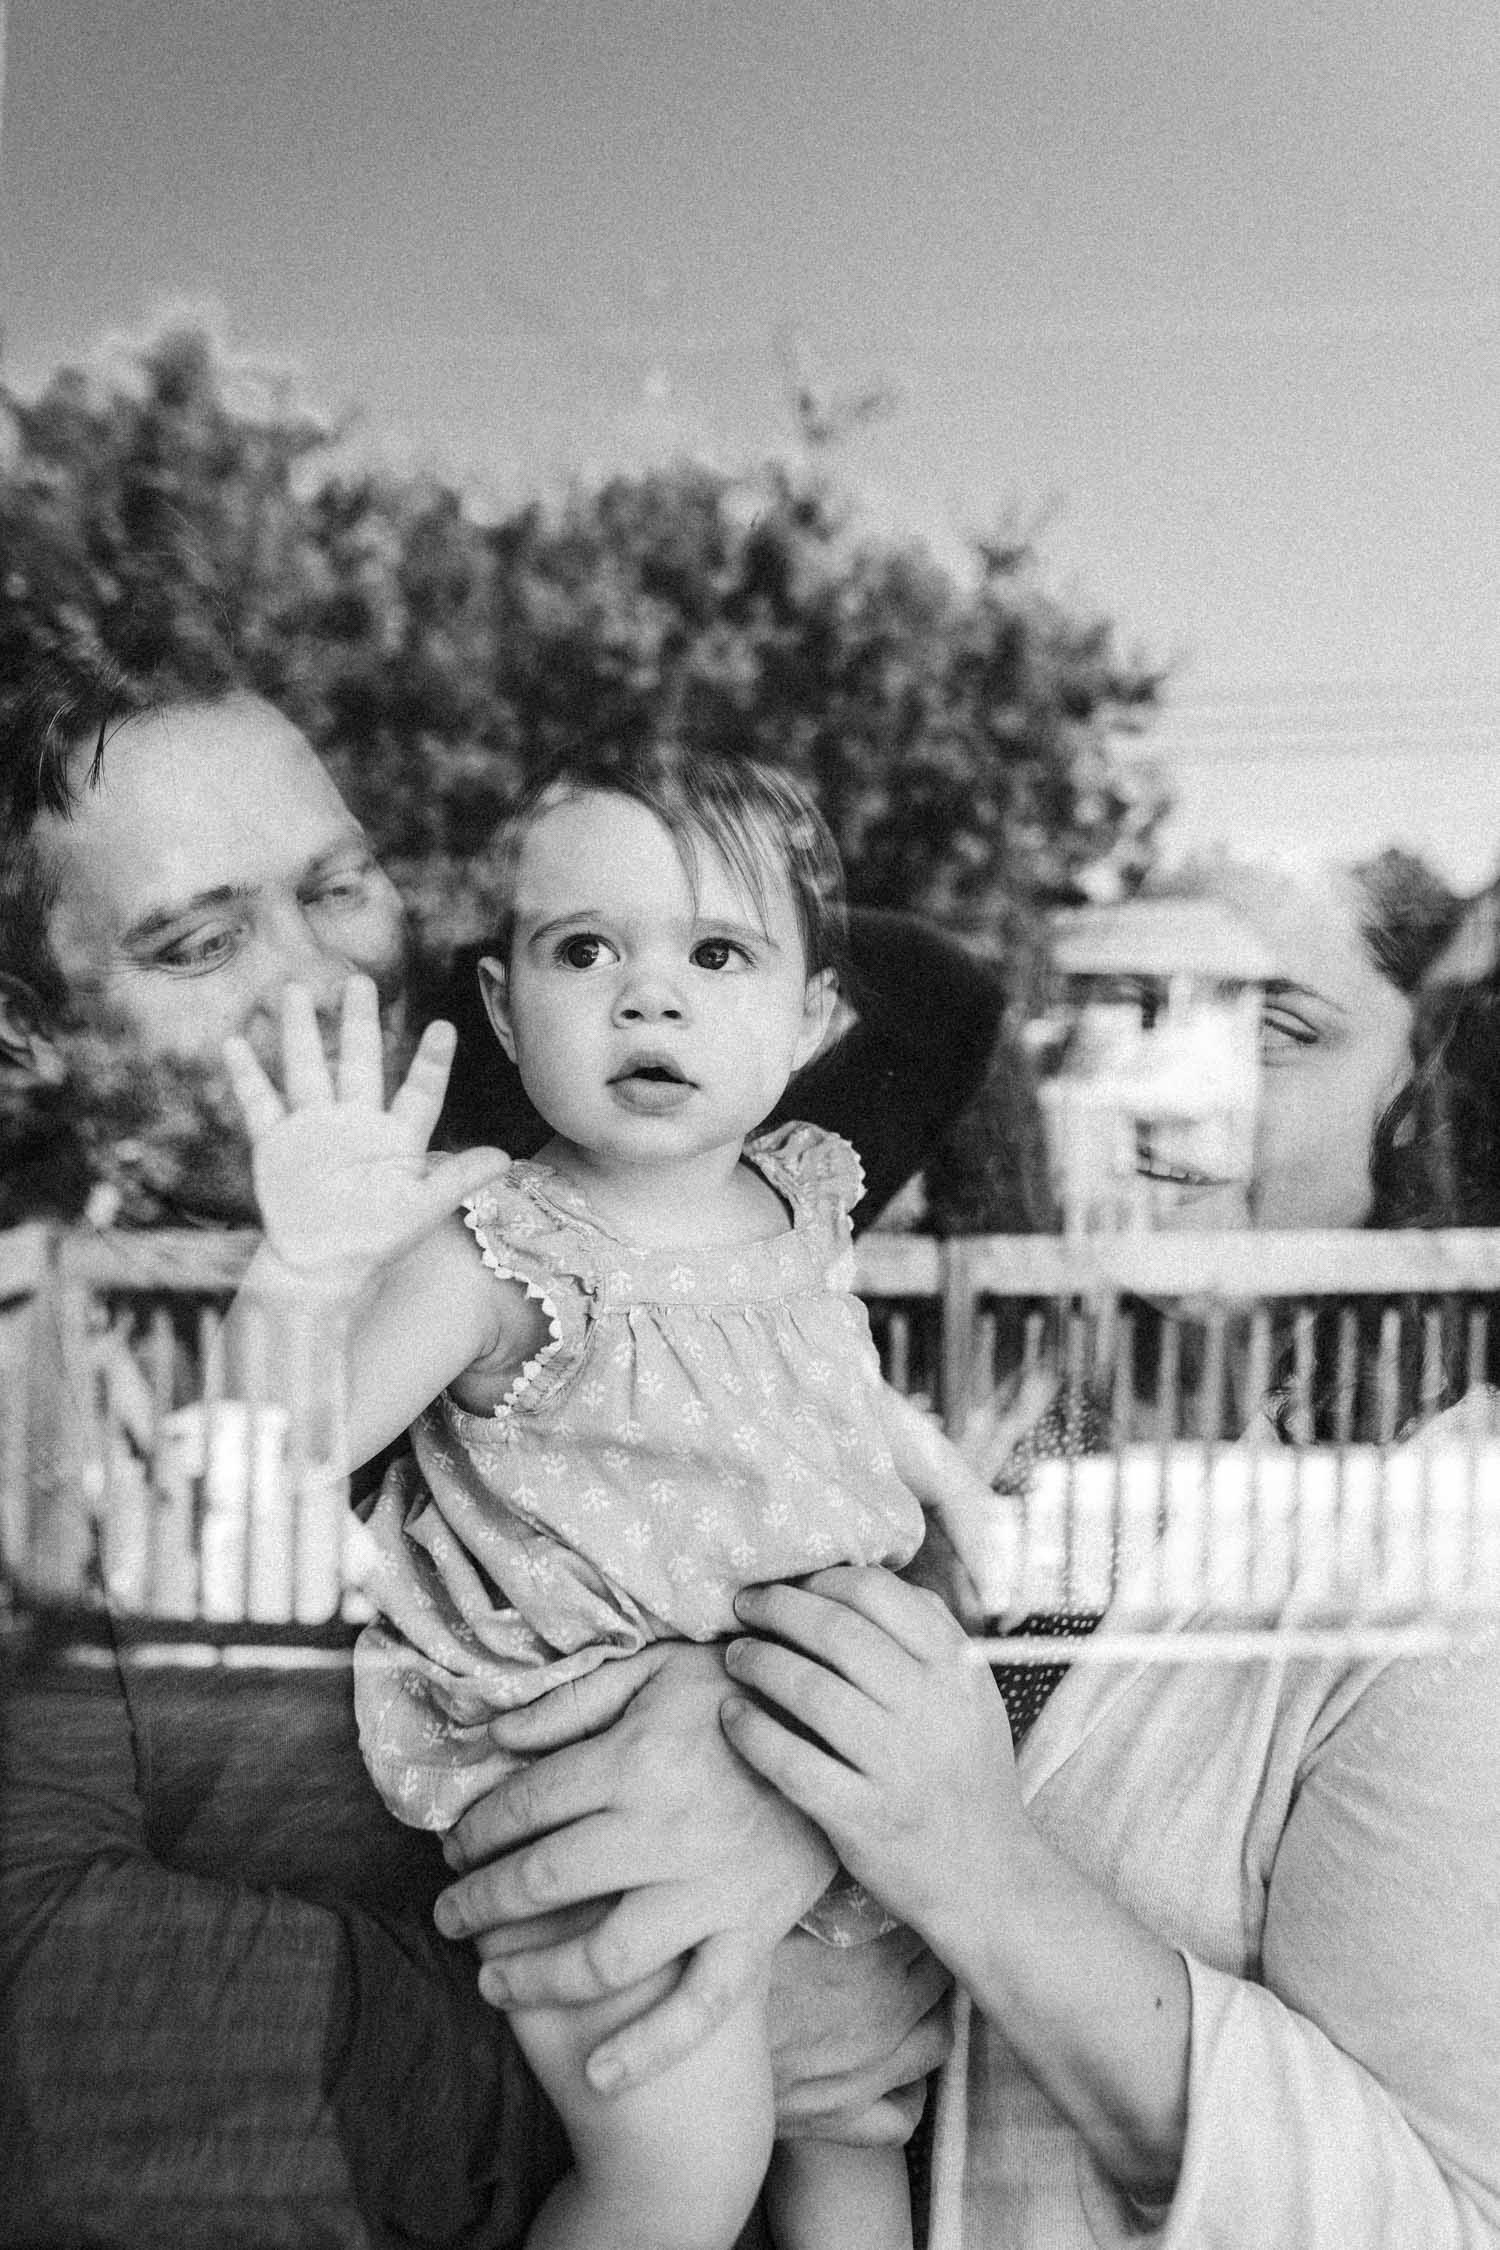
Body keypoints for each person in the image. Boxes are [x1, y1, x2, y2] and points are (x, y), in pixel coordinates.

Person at [1, 669, 995, 2247]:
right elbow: (59, 2017)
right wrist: (668, 1996)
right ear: (25, 1030)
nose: (317, 968)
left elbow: (931, 987)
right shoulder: (41, 1388)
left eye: (341, 887)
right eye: (202, 938)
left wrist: (801, 1769)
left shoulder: (632, 1171)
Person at [704, 859, 1500, 2245]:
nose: (1165, 1094)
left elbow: (1442, 2216)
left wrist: (972, 1874)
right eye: (1126, 1012)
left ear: (1417, 1090)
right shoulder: (983, 1408)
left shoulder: (1452, 1553)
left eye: (1275, 1030)